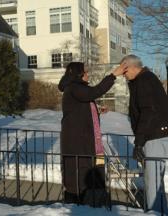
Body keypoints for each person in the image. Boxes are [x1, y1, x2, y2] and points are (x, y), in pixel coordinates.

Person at [58, 62, 126, 205]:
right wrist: (113, 75)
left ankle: (86, 199)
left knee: (87, 167)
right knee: (79, 170)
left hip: (82, 138)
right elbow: (94, 92)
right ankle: (78, 201)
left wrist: (96, 110)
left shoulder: (77, 88)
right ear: (79, 74)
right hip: (77, 141)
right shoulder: (74, 87)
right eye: (85, 72)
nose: (88, 74)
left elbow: (81, 108)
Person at [120, 55, 168, 214]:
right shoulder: (143, 79)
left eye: (124, 71)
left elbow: (148, 112)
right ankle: (159, 211)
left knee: (153, 180)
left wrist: (139, 142)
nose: (123, 75)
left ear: (131, 67)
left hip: (154, 134)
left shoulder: (144, 80)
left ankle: (154, 212)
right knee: (155, 178)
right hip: (156, 133)